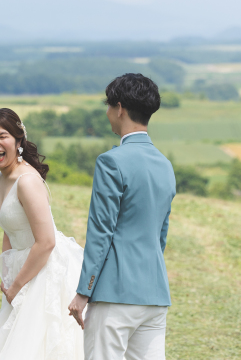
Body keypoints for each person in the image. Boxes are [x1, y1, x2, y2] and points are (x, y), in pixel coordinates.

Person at [68, 73, 176, 360]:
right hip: (154, 295)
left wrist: (83, 291)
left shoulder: (111, 161)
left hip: (114, 295)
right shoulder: (165, 166)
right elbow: (160, 235)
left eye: (108, 107)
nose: (107, 114)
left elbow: (101, 232)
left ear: (119, 108)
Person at [0, 108, 85, 360]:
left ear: (18, 140)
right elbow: (9, 229)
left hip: (44, 269)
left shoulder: (26, 181)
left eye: (2, 136)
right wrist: (7, 271)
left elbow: (46, 242)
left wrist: (16, 285)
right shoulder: (0, 180)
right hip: (21, 269)